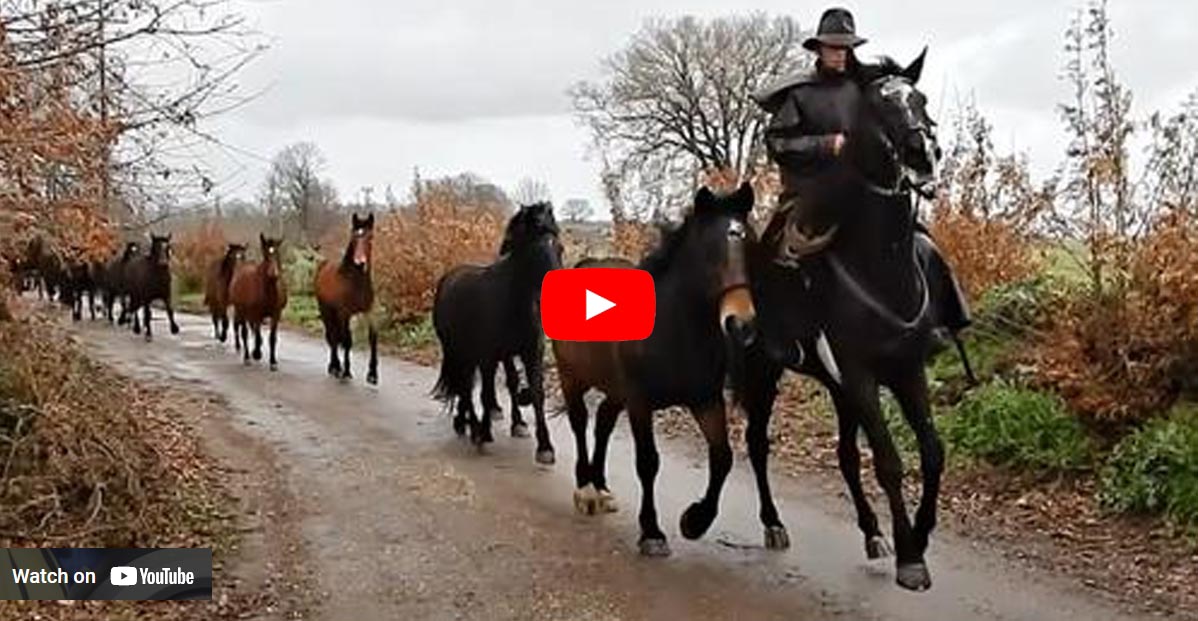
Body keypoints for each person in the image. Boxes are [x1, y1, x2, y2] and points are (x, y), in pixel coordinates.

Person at [752, 7, 972, 342]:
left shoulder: (868, 87)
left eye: (845, 47)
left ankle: (947, 321)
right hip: (813, 194)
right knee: (777, 256)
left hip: (868, 195)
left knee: (923, 245)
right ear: (819, 48)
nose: (839, 54)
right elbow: (778, 143)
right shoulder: (799, 94)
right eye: (833, 47)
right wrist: (827, 144)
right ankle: (777, 338)